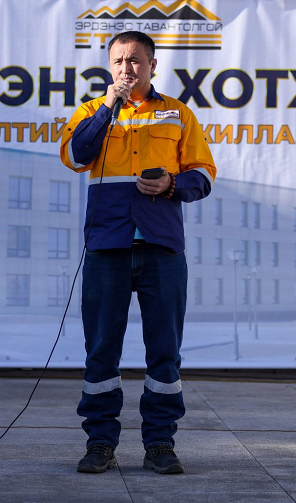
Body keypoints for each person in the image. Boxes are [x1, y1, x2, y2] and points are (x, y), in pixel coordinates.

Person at [59, 31, 215, 475]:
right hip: (107, 246)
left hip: (161, 249)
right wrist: (108, 107)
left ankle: (160, 444)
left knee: (164, 351)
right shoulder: (91, 111)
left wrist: (171, 183)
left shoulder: (178, 113)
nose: (126, 68)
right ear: (110, 66)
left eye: (135, 60)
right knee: (101, 351)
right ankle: (100, 443)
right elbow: (75, 155)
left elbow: (204, 174)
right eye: (118, 61)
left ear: (152, 65)